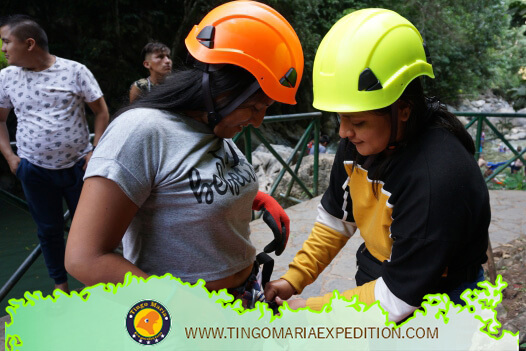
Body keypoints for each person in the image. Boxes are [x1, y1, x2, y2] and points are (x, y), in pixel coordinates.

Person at [65, 1, 303, 308]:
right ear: (220, 88)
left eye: (266, 109)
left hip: (246, 295)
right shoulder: (141, 131)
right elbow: (85, 258)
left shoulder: (216, 129)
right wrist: (179, 306)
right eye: (255, 106)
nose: (258, 121)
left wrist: (256, 198)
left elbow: (191, 188)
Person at [264, 8, 490, 323]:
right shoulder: (361, 142)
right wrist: (294, 279)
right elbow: (336, 220)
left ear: (404, 109)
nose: (343, 132)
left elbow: (399, 297)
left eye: (357, 120)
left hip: (444, 299)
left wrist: (312, 308)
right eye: (339, 117)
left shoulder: (435, 177)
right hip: (384, 274)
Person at [0, 15, 110, 293]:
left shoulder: (75, 71)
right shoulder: (6, 77)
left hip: (79, 167)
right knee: (48, 231)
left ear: (29, 43)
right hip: (34, 170)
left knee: (91, 232)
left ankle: (95, 287)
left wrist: (96, 152)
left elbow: (101, 112)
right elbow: (1, 120)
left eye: (6, 41)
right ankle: (60, 287)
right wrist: (11, 158)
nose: (3, 48)